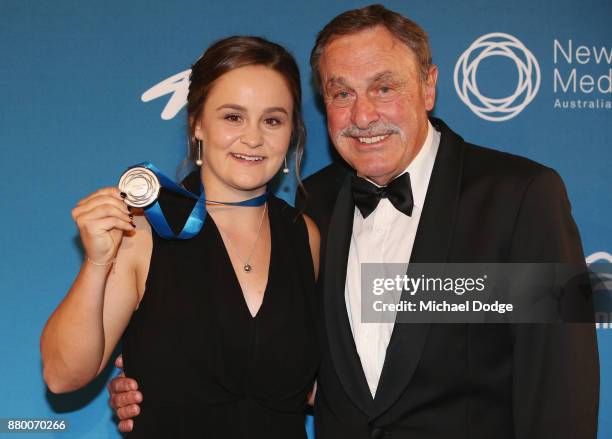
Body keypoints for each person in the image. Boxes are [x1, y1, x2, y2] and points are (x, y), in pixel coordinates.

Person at [109, 5, 599, 439]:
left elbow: (561, 383)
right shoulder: (309, 210)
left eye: (384, 87)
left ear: (428, 86)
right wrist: (161, 379)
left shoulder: (520, 195)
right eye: (341, 94)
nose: (363, 115)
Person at [40, 36, 320, 439]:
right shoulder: (143, 229)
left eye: (272, 120)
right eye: (233, 117)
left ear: (293, 131)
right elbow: (62, 375)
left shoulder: (303, 235)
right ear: (198, 123)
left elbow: (308, 385)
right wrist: (98, 261)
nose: (254, 138)